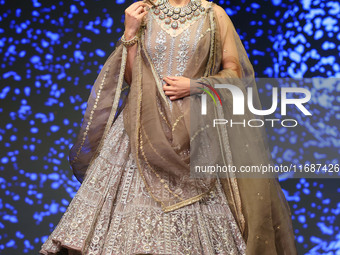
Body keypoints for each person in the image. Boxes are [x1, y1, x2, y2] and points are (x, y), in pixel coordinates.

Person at [40, 0, 298, 254]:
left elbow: (236, 74)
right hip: (140, 132)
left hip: (195, 132)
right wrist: (130, 34)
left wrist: (197, 86)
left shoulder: (213, 14)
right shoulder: (142, 12)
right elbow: (132, 79)